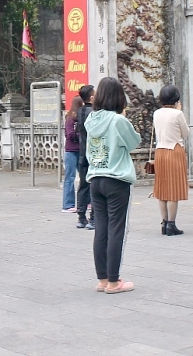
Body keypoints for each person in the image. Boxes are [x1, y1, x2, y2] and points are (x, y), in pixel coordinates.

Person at [85, 77, 141, 294]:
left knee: (101, 228)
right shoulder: (118, 121)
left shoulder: (91, 119)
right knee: (116, 229)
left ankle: (102, 278)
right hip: (116, 179)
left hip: (96, 178)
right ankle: (114, 281)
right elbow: (134, 142)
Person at [152, 85, 190, 236]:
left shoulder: (156, 113)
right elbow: (185, 133)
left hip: (160, 151)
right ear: (176, 99)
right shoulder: (177, 114)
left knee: (162, 189)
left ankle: (164, 222)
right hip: (174, 150)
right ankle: (172, 225)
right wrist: (179, 110)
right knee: (173, 189)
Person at [75, 85, 95, 230]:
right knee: (94, 185)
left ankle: (81, 217)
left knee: (83, 185)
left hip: (82, 152)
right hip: (93, 153)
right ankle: (93, 218)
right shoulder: (94, 113)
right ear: (92, 97)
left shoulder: (79, 111)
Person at [62, 96, 83, 213]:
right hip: (71, 151)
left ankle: (87, 201)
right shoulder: (70, 118)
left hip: (80, 150)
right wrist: (80, 136)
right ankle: (67, 204)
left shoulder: (82, 118)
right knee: (69, 177)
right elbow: (70, 135)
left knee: (85, 177)